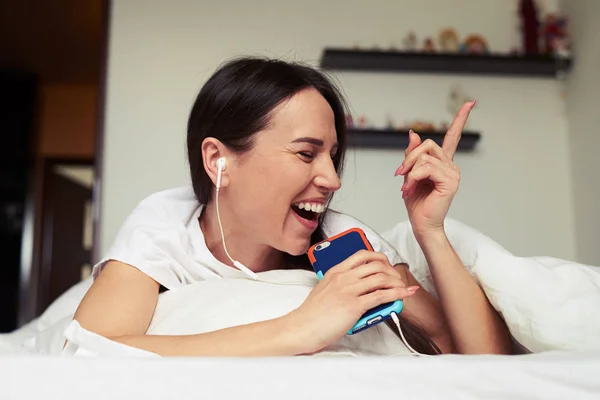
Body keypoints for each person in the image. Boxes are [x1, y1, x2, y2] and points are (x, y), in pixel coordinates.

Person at [72, 57, 512, 356]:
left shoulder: (341, 239)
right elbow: (90, 349)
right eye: (306, 153)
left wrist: (430, 231)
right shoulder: (165, 225)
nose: (333, 179)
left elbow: (471, 353)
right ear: (217, 160)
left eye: (332, 155)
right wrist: (299, 327)